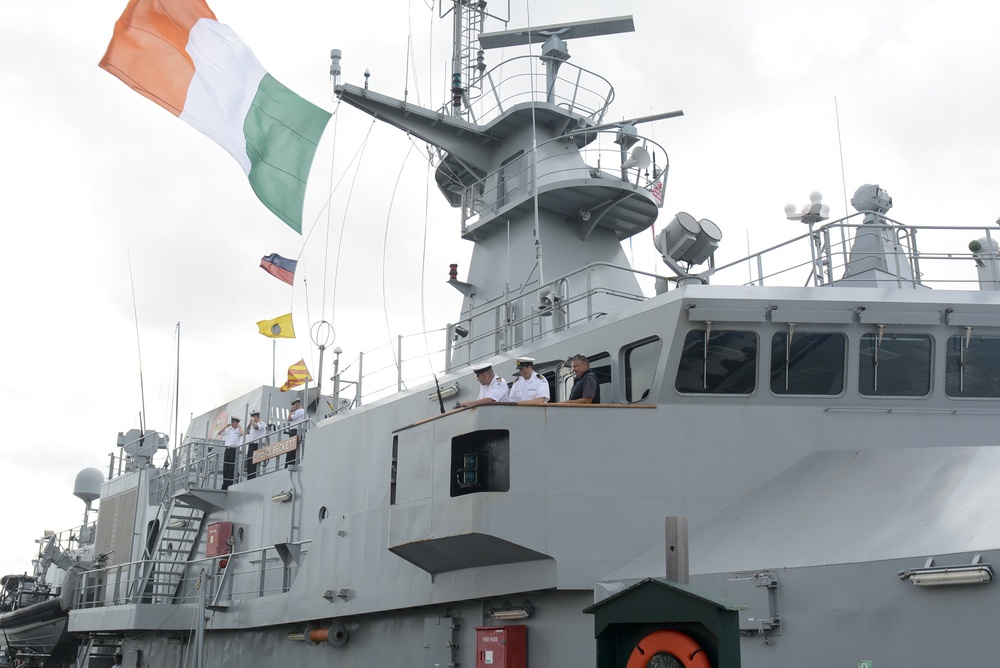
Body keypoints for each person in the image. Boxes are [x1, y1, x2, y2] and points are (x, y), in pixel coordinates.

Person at [216, 416, 243, 490]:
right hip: (227, 449)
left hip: (234, 449)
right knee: (226, 467)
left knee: (232, 467)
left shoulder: (238, 430)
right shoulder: (229, 430)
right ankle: (225, 484)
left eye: (235, 422)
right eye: (233, 422)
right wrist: (226, 426)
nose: (233, 423)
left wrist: (240, 426)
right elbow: (219, 433)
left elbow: (242, 433)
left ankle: (230, 484)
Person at [244, 410, 267, 479]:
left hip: (256, 446)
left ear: (256, 416)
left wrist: (252, 422)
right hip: (251, 445)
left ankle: (253, 477)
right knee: (249, 463)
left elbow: (256, 428)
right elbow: (247, 431)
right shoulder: (252, 425)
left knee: (253, 464)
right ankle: (249, 477)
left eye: (252, 417)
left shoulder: (261, 423)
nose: (251, 418)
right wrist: (250, 423)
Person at [285, 399, 305, 467]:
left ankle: (289, 464)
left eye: (293, 405)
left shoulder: (299, 411)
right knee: (292, 450)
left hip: (295, 432)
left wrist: (291, 411)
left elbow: (289, 418)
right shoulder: (301, 411)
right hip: (297, 431)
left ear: (296, 405)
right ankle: (291, 463)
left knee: (291, 451)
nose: (292, 407)